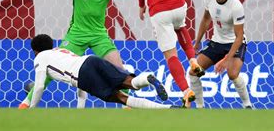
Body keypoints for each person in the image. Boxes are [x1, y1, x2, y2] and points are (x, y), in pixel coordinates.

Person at [19, 0, 136, 108]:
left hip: (99, 35)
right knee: (50, 70)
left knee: (120, 70)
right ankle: (24, 105)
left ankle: (127, 108)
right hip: (76, 35)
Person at [29, 34, 174, 109]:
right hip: (91, 60)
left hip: (82, 76)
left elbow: (40, 86)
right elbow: (81, 84)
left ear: (35, 51)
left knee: (121, 98)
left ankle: (167, 109)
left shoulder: (40, 57)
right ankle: (147, 77)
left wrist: (31, 108)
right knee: (129, 82)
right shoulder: (61, 50)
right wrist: (79, 108)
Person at [189, 0, 252, 109]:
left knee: (232, 74)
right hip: (216, 42)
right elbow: (206, 19)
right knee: (194, 72)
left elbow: (239, 37)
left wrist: (226, 59)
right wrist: (197, 41)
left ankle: (248, 106)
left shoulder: (235, 6)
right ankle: (200, 108)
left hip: (234, 42)